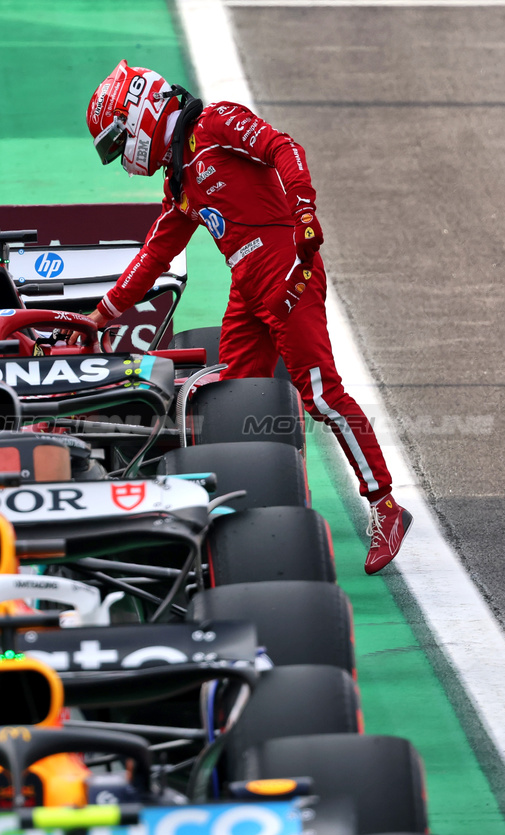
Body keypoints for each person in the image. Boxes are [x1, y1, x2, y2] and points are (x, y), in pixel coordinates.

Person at [84, 61, 411, 574]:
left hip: (287, 267)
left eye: (116, 142)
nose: (120, 156)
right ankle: (255, 517)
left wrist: (305, 212)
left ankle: (385, 506)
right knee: (238, 403)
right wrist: (99, 317)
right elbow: (152, 258)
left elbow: (284, 147)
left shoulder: (215, 124)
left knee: (322, 395)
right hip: (247, 287)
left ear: (139, 114)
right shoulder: (180, 185)